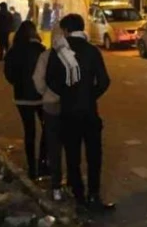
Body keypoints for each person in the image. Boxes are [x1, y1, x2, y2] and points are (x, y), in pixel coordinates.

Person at [46, 14, 112, 211]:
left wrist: (66, 93)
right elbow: (104, 81)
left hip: (68, 113)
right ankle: (94, 196)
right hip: (90, 112)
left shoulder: (58, 52)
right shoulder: (92, 51)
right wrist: (90, 95)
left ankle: (79, 197)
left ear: (66, 31)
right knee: (94, 155)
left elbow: (51, 80)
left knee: (72, 156)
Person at [5, 20, 48, 180]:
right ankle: (43, 161)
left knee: (29, 132)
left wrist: (18, 84)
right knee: (47, 128)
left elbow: (8, 74)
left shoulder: (13, 51)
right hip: (40, 97)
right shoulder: (40, 50)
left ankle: (32, 168)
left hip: (21, 97)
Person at [34, 24, 66, 201]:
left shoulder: (46, 56)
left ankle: (56, 186)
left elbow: (37, 79)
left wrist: (45, 93)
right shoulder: (72, 55)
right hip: (70, 106)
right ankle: (73, 183)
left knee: (53, 146)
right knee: (71, 144)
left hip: (50, 105)